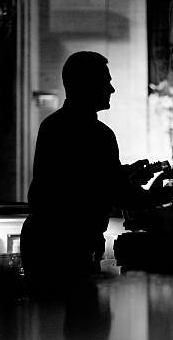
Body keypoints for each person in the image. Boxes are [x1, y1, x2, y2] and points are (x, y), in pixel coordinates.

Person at [21, 51, 152, 283]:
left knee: (46, 315)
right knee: (87, 314)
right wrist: (154, 199)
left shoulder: (52, 126)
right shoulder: (100, 135)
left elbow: (82, 180)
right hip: (72, 248)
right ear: (85, 84)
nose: (111, 89)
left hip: (43, 243)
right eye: (106, 82)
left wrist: (126, 173)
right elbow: (107, 187)